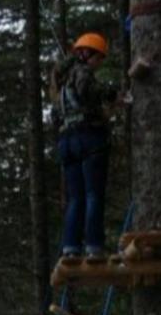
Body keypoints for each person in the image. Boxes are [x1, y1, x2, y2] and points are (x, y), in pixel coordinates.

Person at [52, 32, 121, 259]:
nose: (99, 64)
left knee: (76, 198)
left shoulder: (61, 85)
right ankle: (93, 246)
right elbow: (88, 91)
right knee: (93, 194)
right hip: (88, 138)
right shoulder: (82, 73)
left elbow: (56, 116)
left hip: (67, 141)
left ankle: (71, 248)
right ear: (88, 54)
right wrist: (112, 93)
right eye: (98, 58)